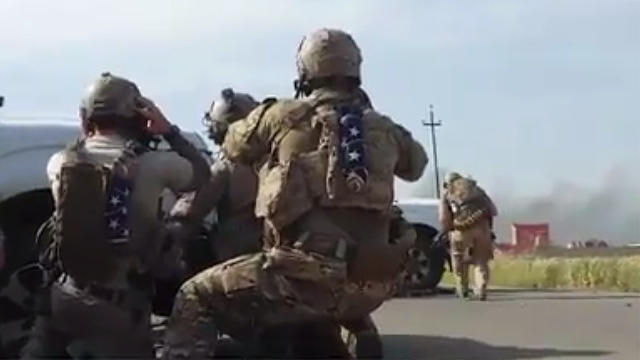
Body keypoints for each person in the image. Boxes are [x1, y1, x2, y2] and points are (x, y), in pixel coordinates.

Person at [162, 28, 427, 359]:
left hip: (303, 279)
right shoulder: (385, 128)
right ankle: (357, 331)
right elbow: (416, 165)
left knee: (194, 294)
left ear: (304, 71)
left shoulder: (282, 116)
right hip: (373, 282)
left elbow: (233, 144)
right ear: (356, 70)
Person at [20, 72, 210, 358]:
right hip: (117, 311)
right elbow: (201, 175)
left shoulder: (58, 163)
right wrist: (168, 130)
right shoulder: (157, 165)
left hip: (62, 298)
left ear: (86, 119)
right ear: (138, 119)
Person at [439, 172, 498, 301]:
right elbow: (493, 210)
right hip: (483, 229)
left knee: (458, 259)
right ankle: (481, 288)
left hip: (460, 230)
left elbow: (444, 218)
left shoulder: (448, 194)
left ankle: (462, 288)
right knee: (481, 261)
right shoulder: (478, 190)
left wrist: (446, 231)